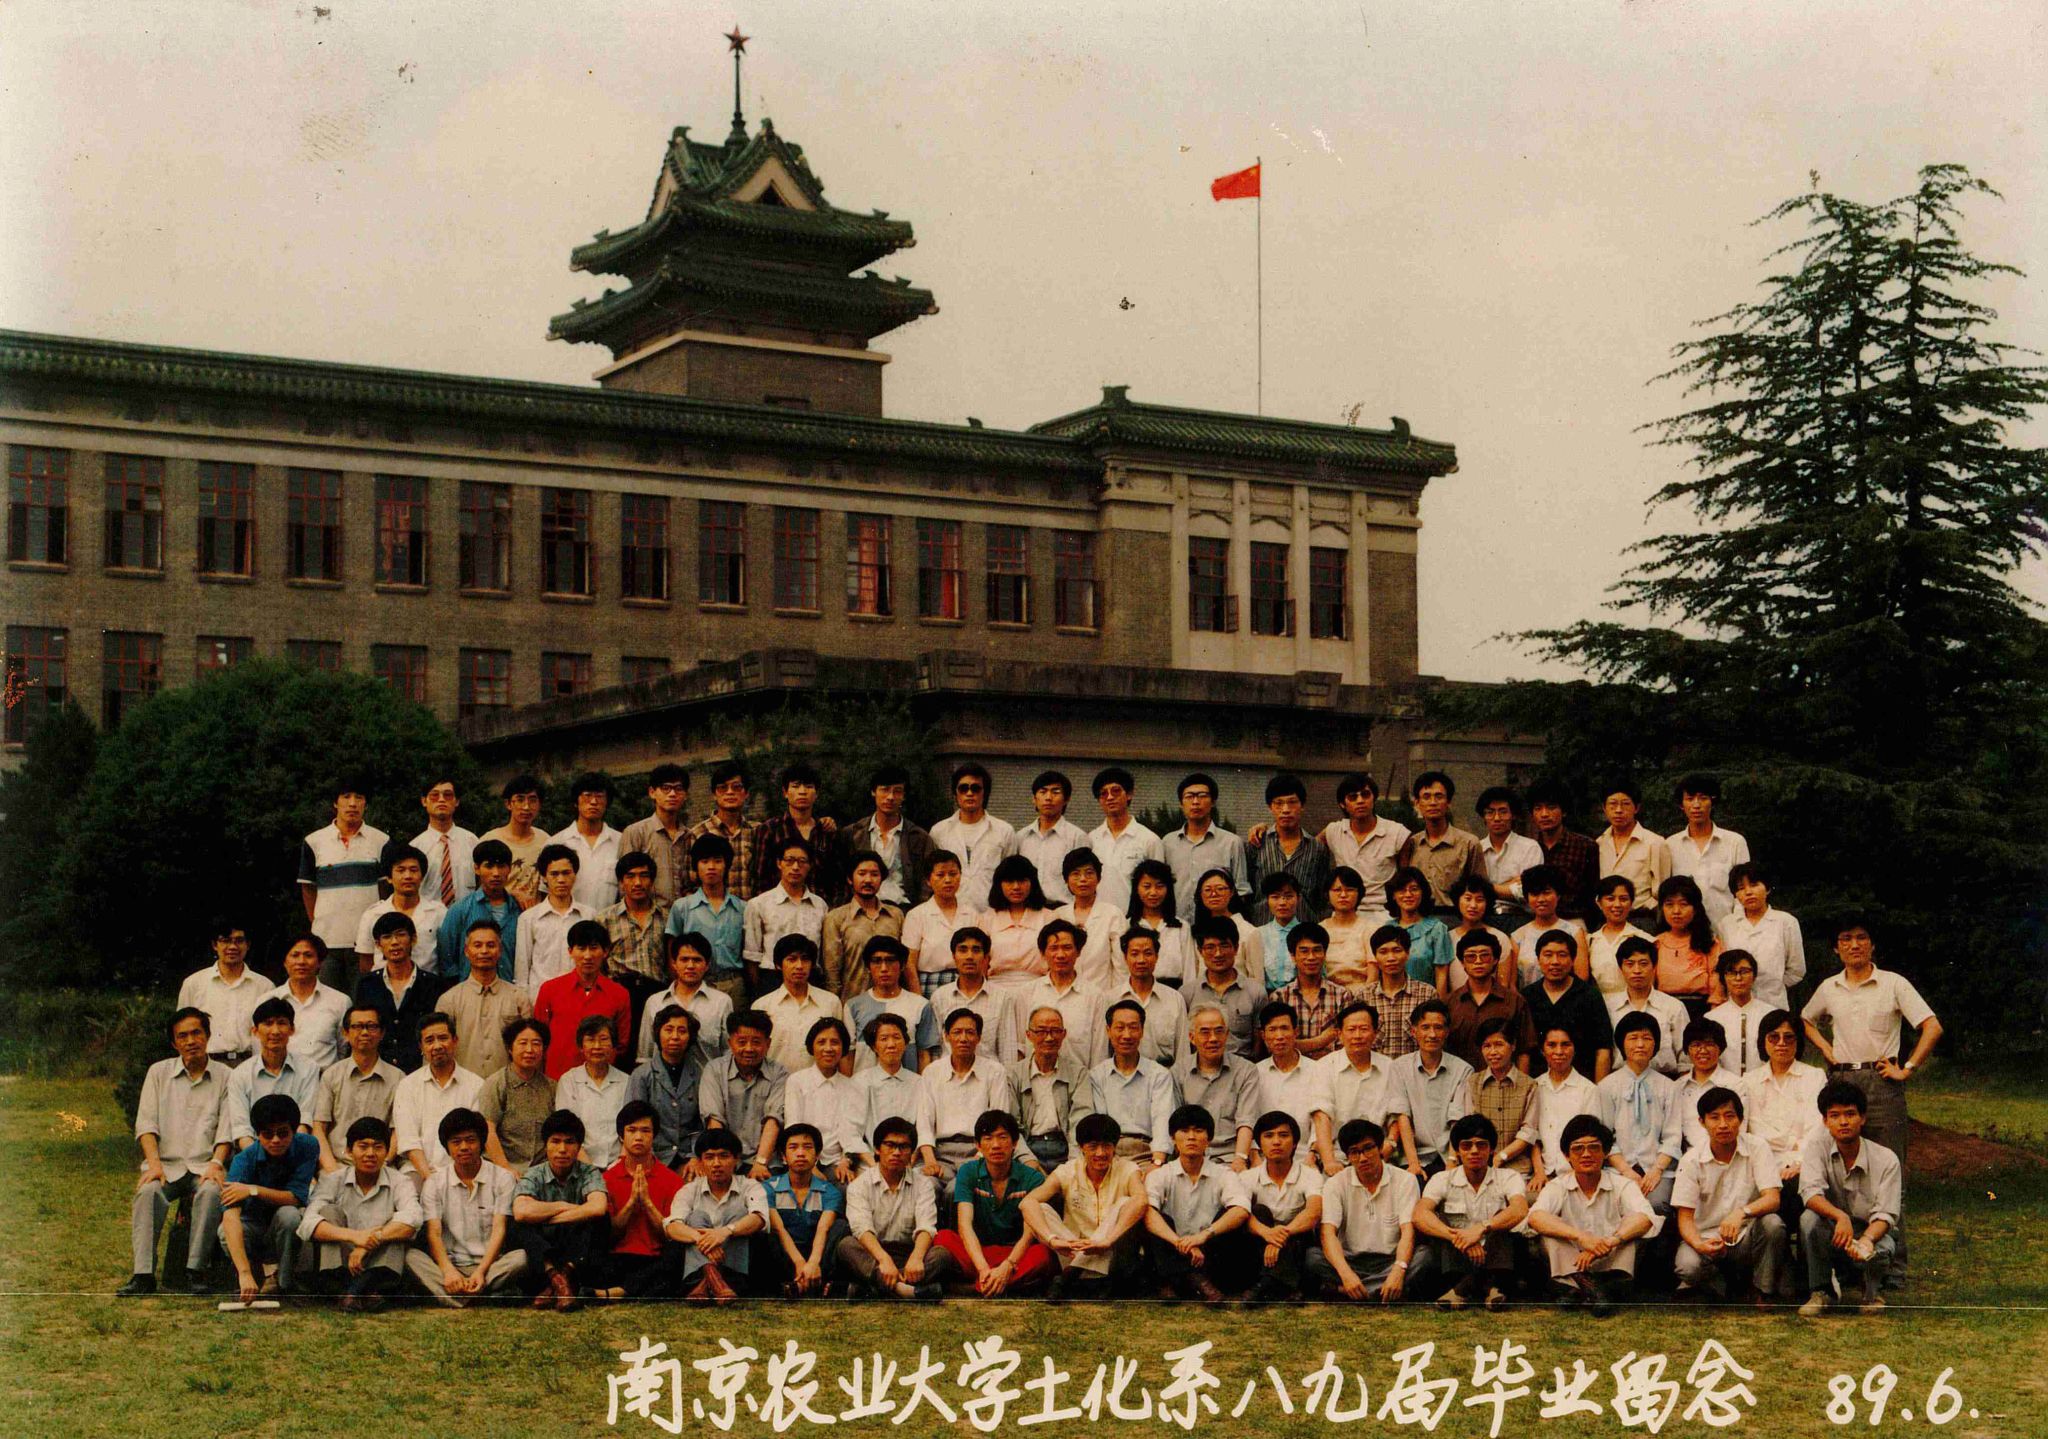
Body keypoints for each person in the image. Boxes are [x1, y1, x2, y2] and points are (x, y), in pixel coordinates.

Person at [1801, 915, 1941, 1164]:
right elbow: (1805, 1020)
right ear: (1836, 948)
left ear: (1872, 945)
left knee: (1889, 1159)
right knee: (1841, 1159)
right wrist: (1825, 1047)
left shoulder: (1893, 983)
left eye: (1861, 938)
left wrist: (1907, 1069)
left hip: (1881, 1082)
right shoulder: (1829, 987)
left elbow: (1932, 1027)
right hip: (1842, 1080)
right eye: (1846, 939)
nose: (1854, 945)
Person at [120, 1007, 229, 1296]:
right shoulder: (158, 1073)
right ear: (174, 1043)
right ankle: (143, 1275)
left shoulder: (226, 1076)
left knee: (211, 1192)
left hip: (205, 1165)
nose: (191, 1041)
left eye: (196, 1033)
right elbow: (146, 1124)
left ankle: (195, 1270)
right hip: (165, 1166)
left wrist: (217, 1164)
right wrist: (154, 1164)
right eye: (183, 1036)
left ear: (207, 1036)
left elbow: (226, 1129)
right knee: (148, 1193)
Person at [1526, 1114, 1657, 1314]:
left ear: (1606, 1152)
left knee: (1634, 1230)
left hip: (1610, 1257)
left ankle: (1578, 1290)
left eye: (1594, 1147)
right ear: (1567, 1156)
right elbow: (1535, 1217)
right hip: (1573, 1259)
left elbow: (1645, 1217)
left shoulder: (1623, 1184)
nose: (1586, 1154)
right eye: (1578, 1148)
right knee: (1547, 1233)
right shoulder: (1557, 1186)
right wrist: (1581, 1237)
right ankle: (1595, 1291)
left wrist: (1610, 1242)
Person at [1797, 1080, 1903, 1316]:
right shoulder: (1817, 1147)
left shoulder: (1886, 1159)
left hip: (1871, 1232)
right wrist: (1840, 1217)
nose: (1843, 1122)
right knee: (1808, 1220)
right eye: (1834, 1116)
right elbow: (1810, 1193)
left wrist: (1866, 1239)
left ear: (1862, 1118)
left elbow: (1886, 1214)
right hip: (1833, 1229)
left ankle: (1871, 1293)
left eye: (1850, 1114)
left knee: (1882, 1249)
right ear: (1825, 1121)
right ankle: (1822, 1292)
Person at [1672, 1086, 1786, 1305]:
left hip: (1746, 1236)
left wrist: (1741, 1213)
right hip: (1707, 1239)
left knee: (1773, 1224)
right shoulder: (1691, 1160)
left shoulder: (1757, 1147)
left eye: (1730, 1116)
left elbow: (1773, 1198)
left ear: (1741, 1120)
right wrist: (1699, 1244)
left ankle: (1762, 1290)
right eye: (1714, 1118)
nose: (1723, 1124)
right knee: (1687, 1267)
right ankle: (1723, 1282)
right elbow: (1685, 1218)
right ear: (1702, 1122)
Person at [407, 1106, 528, 1307]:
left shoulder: (502, 1178)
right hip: (450, 1266)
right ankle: (482, 1296)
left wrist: (481, 1271)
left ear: (481, 1143)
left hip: (491, 1266)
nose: (464, 1147)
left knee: (521, 1258)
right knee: (411, 1257)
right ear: (447, 1147)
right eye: (456, 1142)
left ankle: (457, 1297)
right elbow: (434, 1233)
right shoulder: (435, 1183)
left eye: (470, 1140)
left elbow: (499, 1229)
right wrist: (448, 1271)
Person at [297, 1116, 421, 1311]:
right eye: (363, 1146)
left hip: (379, 1257)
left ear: (387, 1151)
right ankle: (358, 1291)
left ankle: (353, 1292)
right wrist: (355, 1237)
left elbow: (414, 1219)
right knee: (327, 1212)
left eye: (378, 1147)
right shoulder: (333, 1180)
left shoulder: (400, 1181)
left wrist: (372, 1240)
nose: (370, 1153)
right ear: (349, 1151)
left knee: (399, 1224)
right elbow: (307, 1224)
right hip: (342, 1258)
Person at [1021, 1112, 1149, 1300]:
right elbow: (1027, 1202)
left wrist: (1107, 1241)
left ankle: (1071, 1275)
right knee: (1039, 1208)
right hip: (1071, 1251)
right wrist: (1052, 1240)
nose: (1100, 1153)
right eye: (1093, 1147)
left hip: (1109, 1254)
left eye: (1106, 1146)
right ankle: (1077, 1269)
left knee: (1126, 1202)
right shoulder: (1068, 1170)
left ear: (1115, 1147)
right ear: (1081, 1147)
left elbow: (1141, 1200)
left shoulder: (1128, 1169)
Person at [1411, 1113, 1527, 1310]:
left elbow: (1520, 1209)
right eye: (1466, 1146)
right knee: (1440, 1224)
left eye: (1481, 1145)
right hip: (1457, 1258)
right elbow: (1419, 1214)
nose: (1474, 1151)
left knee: (1502, 1224)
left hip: (1496, 1255)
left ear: (1491, 1149)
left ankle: (1464, 1289)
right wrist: (1459, 1238)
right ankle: (1488, 1288)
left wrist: (1481, 1228)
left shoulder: (1508, 1177)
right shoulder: (1442, 1179)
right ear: (1457, 1151)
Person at [938, 1109, 1054, 1296]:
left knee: (1043, 1254)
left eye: (1003, 1137)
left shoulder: (1032, 1178)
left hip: (1015, 1254)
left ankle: (975, 1288)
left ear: (1015, 1143)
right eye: (988, 1138)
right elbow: (964, 1225)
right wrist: (983, 1268)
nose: (996, 1145)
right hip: (978, 1253)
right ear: (978, 1145)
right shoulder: (968, 1171)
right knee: (943, 1237)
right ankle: (998, 1284)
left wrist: (1008, 1266)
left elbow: (1029, 1234)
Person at [837, 1116, 953, 1301]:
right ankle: (909, 1291)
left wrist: (916, 1258)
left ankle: (873, 1289)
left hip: (909, 1254)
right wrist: (883, 1260)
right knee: (846, 1246)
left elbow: (926, 1226)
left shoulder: (923, 1185)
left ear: (911, 1152)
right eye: (890, 1145)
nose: (897, 1152)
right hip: (874, 1254)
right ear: (877, 1149)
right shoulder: (859, 1185)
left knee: (942, 1254)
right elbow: (862, 1229)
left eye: (903, 1147)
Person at [218, 1093, 318, 1306]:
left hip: (286, 1229)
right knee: (225, 1231)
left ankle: (285, 1283)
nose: (275, 1140)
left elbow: (295, 1198)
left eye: (283, 1133)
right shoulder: (243, 1160)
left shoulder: (308, 1146)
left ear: (294, 1131)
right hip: (253, 1229)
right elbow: (230, 1217)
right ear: (257, 1135)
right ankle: (249, 1275)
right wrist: (244, 1273)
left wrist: (253, 1190)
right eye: (267, 1134)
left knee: (290, 1215)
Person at [1305, 1117, 1418, 1304]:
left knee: (1424, 1257)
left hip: (1390, 1260)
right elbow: (1327, 1233)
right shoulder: (1335, 1183)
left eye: (1368, 1148)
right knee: (1313, 1258)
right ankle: (1381, 1292)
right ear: (1347, 1156)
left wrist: (1398, 1270)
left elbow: (1408, 1231)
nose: (1363, 1158)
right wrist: (1346, 1274)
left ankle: (1344, 1292)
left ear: (1380, 1147)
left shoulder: (1405, 1180)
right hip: (1351, 1261)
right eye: (1354, 1152)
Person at [1140, 1105, 1246, 1302]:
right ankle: (1190, 1279)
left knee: (1230, 1214)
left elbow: (1240, 1210)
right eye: (1184, 1131)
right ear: (1173, 1138)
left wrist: (1202, 1237)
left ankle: (1185, 1280)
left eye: (1198, 1131)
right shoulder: (1160, 1175)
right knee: (1151, 1212)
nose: (1191, 1137)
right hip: (1171, 1250)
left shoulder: (1224, 1174)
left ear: (1209, 1139)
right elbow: (1148, 1216)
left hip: (1207, 1253)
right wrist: (1179, 1243)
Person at [510, 1109, 610, 1311]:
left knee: (602, 1220)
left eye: (569, 1142)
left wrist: (546, 1216)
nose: (562, 1149)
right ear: (545, 1145)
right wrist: (563, 1206)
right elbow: (521, 1211)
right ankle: (556, 1277)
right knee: (518, 1224)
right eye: (555, 1141)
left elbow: (598, 1207)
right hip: (544, 1251)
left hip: (577, 1252)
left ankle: (561, 1279)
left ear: (579, 1147)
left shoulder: (588, 1172)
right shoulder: (534, 1174)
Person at [298, 778, 390, 992]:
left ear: (365, 803)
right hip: (326, 945)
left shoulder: (381, 841)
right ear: (335, 803)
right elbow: (308, 888)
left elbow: (384, 891)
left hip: (366, 945)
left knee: (364, 1003)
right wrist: (320, 924)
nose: (352, 803)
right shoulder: (314, 841)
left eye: (359, 797)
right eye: (346, 797)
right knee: (328, 1002)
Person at [1740, 1008, 1827, 1229]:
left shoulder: (1814, 1077)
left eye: (1789, 1037)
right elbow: (1753, 1130)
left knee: (1796, 1186)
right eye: (1773, 1037)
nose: (1781, 1043)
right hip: (1761, 1165)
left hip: (1802, 1164)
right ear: (1763, 1041)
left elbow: (1816, 1128)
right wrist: (1785, 1147)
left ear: (1798, 1042)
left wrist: (1797, 1161)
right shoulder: (1749, 1081)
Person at [590, 1100, 684, 1301]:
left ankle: (620, 1292)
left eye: (645, 1131)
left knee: (678, 1251)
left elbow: (669, 1235)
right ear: (621, 1136)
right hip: (618, 1259)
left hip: (655, 1259)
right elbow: (610, 1235)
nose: (639, 1137)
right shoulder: (606, 1179)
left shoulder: (672, 1180)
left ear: (654, 1135)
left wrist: (648, 1203)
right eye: (631, 1130)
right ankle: (638, 1290)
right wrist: (632, 1202)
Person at [1229, 1111, 1324, 1302]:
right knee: (1257, 1211)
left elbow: (1313, 1212)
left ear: (1295, 1143)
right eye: (1269, 1136)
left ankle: (1265, 1286)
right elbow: (1239, 1213)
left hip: (1295, 1242)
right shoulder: (1247, 1177)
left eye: (1284, 1135)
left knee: (1302, 1240)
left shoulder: (1310, 1175)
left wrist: (1279, 1237)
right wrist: (1267, 1234)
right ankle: (1280, 1285)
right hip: (1260, 1245)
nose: (1276, 1142)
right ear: (1259, 1143)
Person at [1597, 1013, 1683, 1221]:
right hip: (1618, 1170)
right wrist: (1626, 1171)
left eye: (1647, 1038)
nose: (1640, 1044)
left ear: (1655, 1044)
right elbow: (1604, 1136)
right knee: (1615, 1206)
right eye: (1633, 1038)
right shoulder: (1607, 1086)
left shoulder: (1668, 1087)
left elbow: (1672, 1136)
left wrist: (1656, 1170)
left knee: (1656, 1205)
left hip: (1658, 1170)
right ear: (1621, 1044)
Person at [914, 1008, 1016, 1184]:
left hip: (979, 1152)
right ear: (946, 1036)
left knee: (958, 1188)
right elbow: (924, 1122)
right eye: (957, 1032)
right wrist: (930, 1162)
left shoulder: (994, 1071)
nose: (963, 1038)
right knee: (925, 1186)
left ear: (979, 1038)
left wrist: (980, 1158)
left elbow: (999, 1120)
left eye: (970, 1032)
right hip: (939, 1153)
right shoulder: (932, 1072)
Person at [533, 919, 633, 1080]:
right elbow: (538, 1037)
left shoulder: (619, 994)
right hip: (556, 1079)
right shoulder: (550, 990)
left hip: (601, 1081)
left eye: (594, 948)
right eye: (581, 948)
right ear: (570, 951)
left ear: (605, 951)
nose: (587, 956)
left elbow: (621, 1044)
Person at [1385, 999, 1473, 1179]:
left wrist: (1451, 1162)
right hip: (1412, 1157)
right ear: (1414, 1031)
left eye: (1438, 1028)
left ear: (1447, 1032)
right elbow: (1402, 1116)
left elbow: (1458, 1120)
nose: (1432, 1034)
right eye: (1425, 1027)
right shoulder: (1399, 1067)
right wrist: (1413, 1164)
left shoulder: (1463, 1070)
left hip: (1449, 1156)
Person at [312, 1002, 404, 1174]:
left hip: (382, 1167)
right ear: (345, 1033)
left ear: (382, 1033)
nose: (364, 1032)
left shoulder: (397, 1078)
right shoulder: (331, 1075)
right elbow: (319, 1128)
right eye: (357, 1027)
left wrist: (383, 1163)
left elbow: (398, 1131)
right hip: (338, 1166)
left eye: (371, 1026)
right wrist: (332, 1170)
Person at [391, 1012, 483, 1183]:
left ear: (455, 1041)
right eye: (429, 1040)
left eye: (443, 1038)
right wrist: (430, 1179)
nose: (437, 1046)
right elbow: (409, 1140)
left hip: (464, 1171)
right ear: (421, 1047)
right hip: (418, 1171)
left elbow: (476, 1140)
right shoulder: (408, 1085)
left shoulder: (475, 1085)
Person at [217, 997, 318, 1152]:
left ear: (292, 1029)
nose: (275, 1031)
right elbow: (242, 1130)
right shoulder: (240, 1075)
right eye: (268, 1023)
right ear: (255, 1031)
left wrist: (286, 1157)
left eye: (282, 1023)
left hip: (295, 1152)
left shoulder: (308, 1069)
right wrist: (261, 1159)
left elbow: (304, 1122)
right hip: (253, 1154)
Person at [352, 912, 449, 1071]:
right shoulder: (366, 984)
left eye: (401, 935)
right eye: (387, 937)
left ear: (414, 939)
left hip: (421, 1070)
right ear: (378, 944)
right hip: (378, 1071)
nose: (395, 942)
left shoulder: (433, 984)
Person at [700, 1009, 787, 1182]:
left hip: (766, 1161)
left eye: (756, 1042)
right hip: (725, 1158)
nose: (749, 1048)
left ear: (768, 1044)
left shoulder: (779, 1073)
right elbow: (714, 1121)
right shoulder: (714, 1070)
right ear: (730, 1043)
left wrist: (760, 1163)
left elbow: (773, 1120)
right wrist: (724, 1162)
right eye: (741, 1042)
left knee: (769, 1193)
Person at [1088, 999, 1176, 1169]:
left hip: (1147, 1154)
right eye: (1120, 1028)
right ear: (1108, 1031)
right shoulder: (1097, 1075)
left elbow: (1162, 1123)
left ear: (1142, 1031)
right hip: (1109, 1155)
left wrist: (1157, 1163)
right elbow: (1099, 1126)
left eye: (1133, 1027)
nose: (1127, 1035)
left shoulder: (1159, 1075)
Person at [439, 920, 532, 1077]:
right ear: (466, 951)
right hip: (463, 1087)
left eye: (490, 945)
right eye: (477, 945)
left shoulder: (518, 998)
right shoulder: (449, 1000)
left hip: (507, 1085)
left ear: (500, 950)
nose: (484, 951)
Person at [744, 836, 831, 1004]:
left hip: (810, 978)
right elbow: (752, 956)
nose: (796, 867)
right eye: (789, 861)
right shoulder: (759, 904)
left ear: (810, 865)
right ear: (779, 863)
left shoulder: (820, 905)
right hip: (772, 979)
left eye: (802, 862)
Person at [1252, 1003, 1337, 1173]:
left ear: (1296, 1032)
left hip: (1306, 1156)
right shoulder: (1254, 1073)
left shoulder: (1317, 1070)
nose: (1279, 1036)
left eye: (1284, 1028)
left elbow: (1321, 1118)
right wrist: (1255, 1158)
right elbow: (1248, 1118)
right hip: (1263, 1160)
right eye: (1272, 1030)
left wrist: (1312, 1154)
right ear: (1263, 1035)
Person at [666, 834, 749, 1006]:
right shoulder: (682, 907)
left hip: (733, 984)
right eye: (704, 861)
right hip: (694, 984)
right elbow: (671, 948)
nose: (711, 867)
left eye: (718, 861)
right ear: (696, 866)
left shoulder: (743, 908)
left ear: (727, 865)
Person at [1521, 1024, 1603, 1197]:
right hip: (1542, 1173)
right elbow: (1531, 1135)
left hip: (1577, 1175)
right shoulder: (1534, 1087)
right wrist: (1539, 1172)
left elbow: (1590, 1139)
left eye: (1566, 1045)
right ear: (1542, 1050)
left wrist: (1573, 1175)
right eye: (1552, 1045)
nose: (1559, 1051)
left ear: (1574, 1049)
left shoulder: (1588, 1090)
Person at [1010, 1006, 1095, 1171]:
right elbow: (1011, 1125)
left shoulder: (1078, 1074)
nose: (1049, 1038)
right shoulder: (1014, 1074)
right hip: (1027, 1149)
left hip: (1065, 1149)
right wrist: (1028, 1161)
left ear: (1064, 1034)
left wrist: (1072, 1166)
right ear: (1029, 1035)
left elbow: (1080, 1123)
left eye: (1055, 1031)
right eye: (1041, 1031)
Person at [837, 763, 934, 909]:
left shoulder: (919, 838)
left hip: (904, 909)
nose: (890, 797)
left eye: (897, 791)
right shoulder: (852, 834)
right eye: (885, 790)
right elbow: (840, 878)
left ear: (904, 796)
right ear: (873, 792)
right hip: (860, 909)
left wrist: (918, 911)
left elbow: (928, 881)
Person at [1521, 927, 1612, 1081]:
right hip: (1538, 1084)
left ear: (1573, 959)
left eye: (1562, 955)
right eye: (1548, 955)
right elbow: (1524, 1052)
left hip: (1582, 1084)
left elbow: (1603, 1049)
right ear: (1538, 959)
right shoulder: (1528, 996)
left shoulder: (1589, 995)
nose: (1555, 962)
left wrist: (1599, 1090)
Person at [178, 918, 273, 1066]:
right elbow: (181, 1030)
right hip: (206, 1064)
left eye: (239, 941)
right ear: (215, 945)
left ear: (248, 945)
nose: (233, 946)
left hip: (250, 1065)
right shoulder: (194, 984)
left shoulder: (264, 987)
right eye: (226, 941)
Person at [763, 1123, 842, 1298]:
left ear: (817, 1156)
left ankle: (802, 1285)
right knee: (766, 1231)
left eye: (807, 1147)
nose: (800, 1153)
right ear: (783, 1156)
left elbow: (823, 1229)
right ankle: (805, 1285)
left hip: (816, 1256)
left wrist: (812, 1263)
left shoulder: (829, 1191)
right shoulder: (768, 1188)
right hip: (785, 1254)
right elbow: (779, 1229)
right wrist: (799, 1263)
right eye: (793, 1147)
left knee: (840, 1226)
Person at [1176, 1004, 1259, 1169]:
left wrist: (1240, 1159)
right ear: (1192, 1037)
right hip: (1191, 1159)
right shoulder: (1178, 1072)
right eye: (1205, 1032)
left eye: (1219, 1031)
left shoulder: (1245, 1070)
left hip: (1230, 1158)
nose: (1213, 1038)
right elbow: (1175, 1126)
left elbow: (1246, 1121)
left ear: (1227, 1035)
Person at [1715, 862, 1806, 1011]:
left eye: (1754, 885)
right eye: (1741, 888)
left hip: (1773, 1004)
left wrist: (1773, 985)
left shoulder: (1786, 922)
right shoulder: (1726, 924)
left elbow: (1796, 970)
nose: (1748, 892)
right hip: (1737, 1003)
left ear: (1767, 888)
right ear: (1735, 895)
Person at [1244, 773, 1332, 925]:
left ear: (1302, 805)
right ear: (1270, 807)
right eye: (1278, 803)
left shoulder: (1317, 848)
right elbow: (1247, 891)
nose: (1285, 809)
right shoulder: (1257, 844)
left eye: (1292, 802)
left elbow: (1323, 897)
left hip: (1304, 928)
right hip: (1263, 926)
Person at [1160, 772, 1249, 920]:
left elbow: (1241, 891)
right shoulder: (1167, 842)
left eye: (1202, 796)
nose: (1196, 802)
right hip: (1177, 925)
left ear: (1213, 802)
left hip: (1216, 927)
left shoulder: (1231, 842)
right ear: (1181, 803)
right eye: (1189, 796)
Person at [750, 761, 842, 903]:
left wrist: (831, 909)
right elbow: (760, 878)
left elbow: (838, 878)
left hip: (821, 909)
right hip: (779, 909)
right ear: (785, 792)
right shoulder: (769, 830)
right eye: (796, 786)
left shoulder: (826, 831)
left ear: (817, 793)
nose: (802, 791)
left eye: (809, 786)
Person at [1397, 770, 1486, 915]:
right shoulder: (1411, 844)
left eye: (1439, 796)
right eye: (1426, 797)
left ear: (1449, 802)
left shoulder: (1469, 843)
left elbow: (1481, 888)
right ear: (1417, 803)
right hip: (1418, 917)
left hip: (1455, 917)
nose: (1433, 803)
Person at [637, 932, 732, 1069]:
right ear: (674, 963)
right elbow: (645, 1055)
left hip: (708, 1080)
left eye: (697, 960)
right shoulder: (655, 1002)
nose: (690, 966)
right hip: (662, 1080)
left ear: (707, 965)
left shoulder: (722, 1002)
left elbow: (728, 1053)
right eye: (684, 959)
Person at [786, 1017, 864, 1181]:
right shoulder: (797, 1081)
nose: (828, 1048)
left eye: (835, 1042)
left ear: (843, 1048)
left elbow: (853, 1131)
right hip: (802, 1158)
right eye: (821, 1042)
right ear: (812, 1046)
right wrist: (811, 1168)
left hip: (835, 1161)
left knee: (845, 1186)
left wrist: (845, 1162)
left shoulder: (852, 1087)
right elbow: (793, 1126)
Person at [821, 850, 907, 999]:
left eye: (874, 874)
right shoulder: (836, 918)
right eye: (861, 874)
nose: (868, 880)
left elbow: (904, 963)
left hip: (892, 1001)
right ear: (850, 879)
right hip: (852, 1000)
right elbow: (832, 970)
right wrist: (835, 1004)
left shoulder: (896, 915)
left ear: (881, 879)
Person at [1319, 772, 1410, 911]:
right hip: (1345, 910)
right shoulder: (1333, 831)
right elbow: (1309, 849)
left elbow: (1405, 878)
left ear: (1374, 798)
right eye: (1353, 797)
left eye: (1365, 795)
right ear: (1343, 804)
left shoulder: (1396, 833)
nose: (1360, 801)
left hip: (1383, 912)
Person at [1665, 773, 1749, 923]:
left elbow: (1744, 889)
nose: (1696, 805)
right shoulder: (1670, 845)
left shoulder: (1735, 842)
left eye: (1703, 798)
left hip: (1727, 928)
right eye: (1690, 799)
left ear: (1712, 801)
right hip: (1685, 930)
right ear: (1681, 805)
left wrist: (1735, 926)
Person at [1445, 930, 1535, 1070]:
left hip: (1502, 1081)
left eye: (1485, 955)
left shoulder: (1514, 1001)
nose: (1478, 961)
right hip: (1459, 1080)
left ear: (1495, 960)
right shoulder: (1450, 1003)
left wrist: (1521, 1082)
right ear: (1462, 962)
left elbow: (1524, 1050)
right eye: (1471, 957)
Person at [756, 933, 845, 1074]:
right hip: (776, 1084)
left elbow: (840, 1050)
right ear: (778, 965)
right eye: (791, 959)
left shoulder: (830, 1002)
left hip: (819, 1084)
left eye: (805, 959)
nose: (799, 966)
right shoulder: (763, 1006)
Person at [514, 844, 598, 994]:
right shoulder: (528, 918)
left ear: (575, 874)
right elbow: (522, 968)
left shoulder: (589, 916)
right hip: (540, 997)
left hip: (579, 996)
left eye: (566, 873)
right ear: (544, 877)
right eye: (554, 874)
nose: (561, 880)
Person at [929, 762, 1015, 906]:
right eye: (963, 788)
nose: (969, 793)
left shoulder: (1004, 831)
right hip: (950, 912)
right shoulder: (939, 831)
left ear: (985, 792)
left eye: (976, 788)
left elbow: (1010, 877)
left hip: (991, 912)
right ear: (955, 793)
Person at [353, 842, 447, 975]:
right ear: (389, 878)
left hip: (428, 985)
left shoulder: (439, 913)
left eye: (413, 870)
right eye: (401, 870)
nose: (408, 876)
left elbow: (446, 957)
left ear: (422, 877)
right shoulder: (372, 915)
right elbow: (366, 961)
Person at [628, 1005, 704, 1168]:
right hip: (652, 1157)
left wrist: (695, 1156)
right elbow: (634, 1123)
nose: (675, 1037)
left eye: (682, 1031)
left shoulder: (700, 1073)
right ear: (658, 1033)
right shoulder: (642, 1075)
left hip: (689, 1158)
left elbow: (701, 1122)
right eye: (668, 1030)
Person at [1101, 927, 1189, 1067]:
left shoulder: (1174, 999)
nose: (1141, 960)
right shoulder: (1110, 999)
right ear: (1125, 957)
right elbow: (1104, 1053)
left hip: (1166, 1076)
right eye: (1134, 954)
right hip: (1122, 1076)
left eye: (1148, 953)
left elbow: (1183, 1054)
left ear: (1157, 956)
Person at [601, 850, 672, 1022]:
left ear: (652, 881)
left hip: (657, 995)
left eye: (644, 876)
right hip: (618, 993)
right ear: (621, 882)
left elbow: (671, 961)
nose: (638, 883)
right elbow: (599, 964)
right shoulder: (605, 919)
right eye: (630, 876)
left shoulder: (666, 918)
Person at [845, 936, 936, 1070]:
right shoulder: (853, 1006)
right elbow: (848, 1056)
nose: (884, 968)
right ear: (868, 967)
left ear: (902, 965)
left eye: (890, 960)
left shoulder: (920, 1005)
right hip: (863, 1082)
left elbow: (924, 1055)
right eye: (877, 961)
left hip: (907, 1081)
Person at [438, 839, 523, 983]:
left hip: (511, 990)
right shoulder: (460, 909)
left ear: (509, 869)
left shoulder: (520, 909)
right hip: (469, 990)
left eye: (501, 866)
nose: (496, 873)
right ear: (476, 868)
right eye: (489, 866)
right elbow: (447, 959)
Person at [479, 1017, 555, 1174]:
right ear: (510, 1048)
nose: (529, 1050)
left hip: (542, 1170)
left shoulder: (551, 1087)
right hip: (501, 1169)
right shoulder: (496, 1083)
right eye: (523, 1043)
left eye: (536, 1044)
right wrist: (506, 1169)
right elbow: (488, 1130)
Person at [1465, 1017, 1537, 1178]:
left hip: (1519, 1170)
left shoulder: (1529, 1085)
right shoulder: (1472, 1083)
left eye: (1499, 1044)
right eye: (1487, 1046)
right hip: (1480, 1168)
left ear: (1513, 1045)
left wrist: (1502, 1156)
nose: (1493, 1052)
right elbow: (1469, 1126)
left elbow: (1528, 1132)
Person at [1605, 937, 1689, 1076]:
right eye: (1630, 964)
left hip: (1665, 1079)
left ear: (1654, 967)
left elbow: (1685, 1059)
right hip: (1619, 1080)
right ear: (1621, 969)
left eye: (1643, 964)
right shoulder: (1608, 1007)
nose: (1637, 970)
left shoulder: (1673, 1007)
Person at [555, 1015, 631, 1168]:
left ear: (613, 1045)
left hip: (619, 1164)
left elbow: (631, 1128)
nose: (597, 1046)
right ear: (581, 1046)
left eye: (603, 1039)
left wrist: (619, 1166)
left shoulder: (626, 1081)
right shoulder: (569, 1081)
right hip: (578, 1164)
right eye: (590, 1040)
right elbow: (567, 1129)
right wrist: (590, 1170)